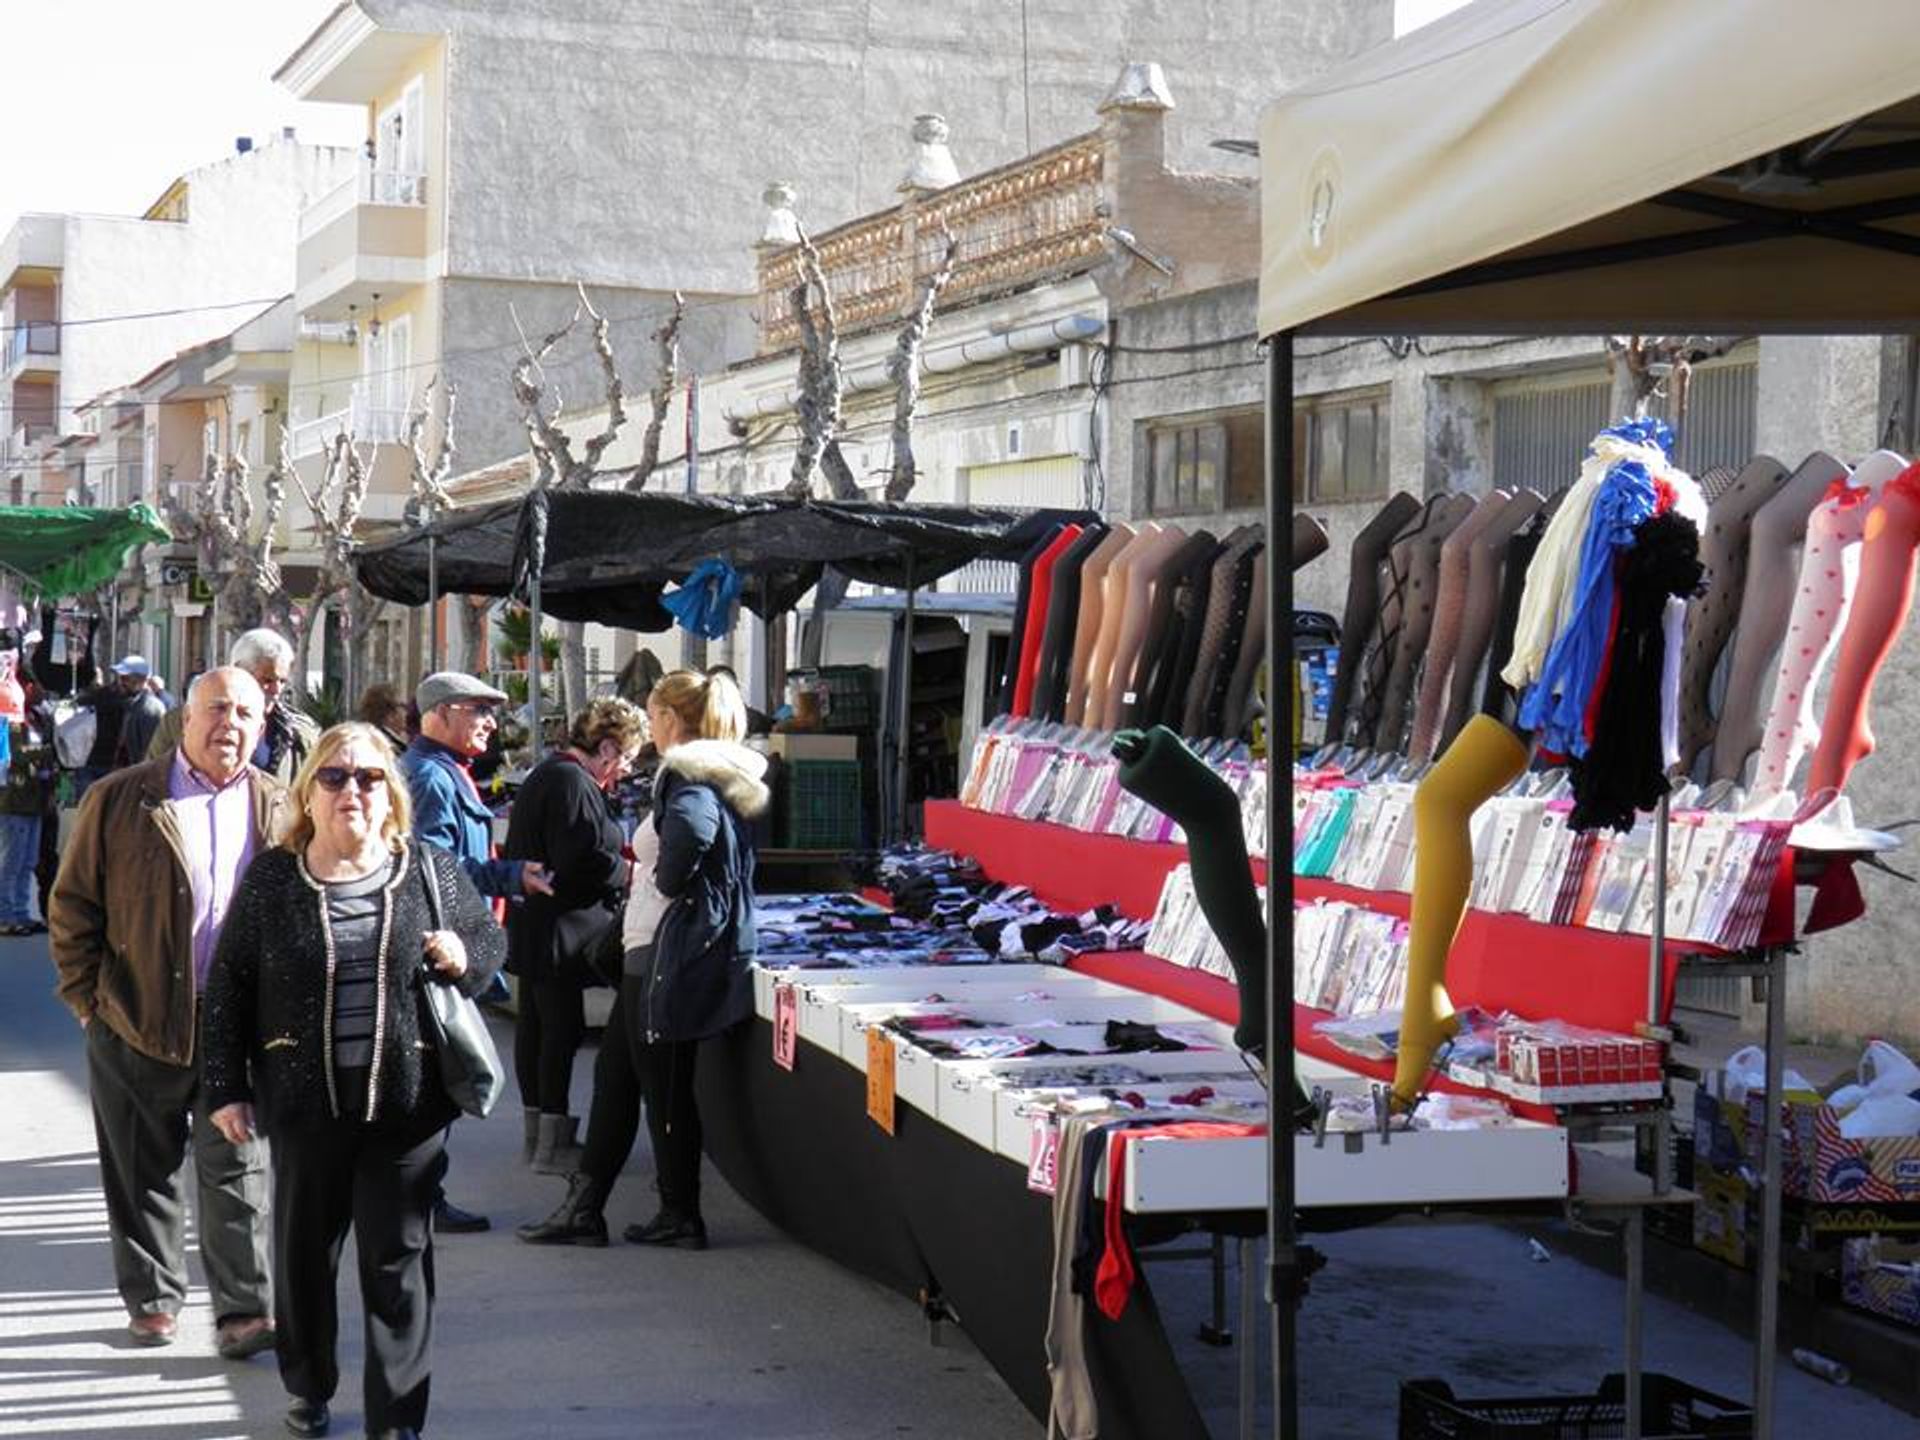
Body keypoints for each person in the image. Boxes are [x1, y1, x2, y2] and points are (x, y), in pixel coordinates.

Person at [202, 724, 505, 1440]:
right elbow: (230, 985)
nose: (352, 791)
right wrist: (225, 1086)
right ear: (309, 792)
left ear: (391, 794)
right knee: (305, 1259)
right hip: (305, 1107)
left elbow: (491, 946)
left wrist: (467, 953)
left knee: (398, 1266)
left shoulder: (428, 869)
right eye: (334, 778)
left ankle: (397, 1419)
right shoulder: (276, 878)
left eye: (369, 778)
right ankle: (308, 1387)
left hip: (408, 1106)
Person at [48, 667, 282, 1355]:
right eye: (215, 709)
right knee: (140, 1167)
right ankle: (152, 1299)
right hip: (133, 1013)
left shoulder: (281, 806)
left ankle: (243, 1309)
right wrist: (87, 999)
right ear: (185, 718)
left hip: (235, 1024)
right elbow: (72, 906)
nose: (228, 724)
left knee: (238, 1167)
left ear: (261, 726)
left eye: (244, 712)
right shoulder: (122, 799)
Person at [518, 669, 766, 1249]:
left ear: (671, 721)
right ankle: (588, 1207)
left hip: (665, 952)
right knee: (618, 1081)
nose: (648, 726)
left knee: (661, 1089)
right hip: (654, 951)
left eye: (653, 714)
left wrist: (665, 879)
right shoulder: (704, 773)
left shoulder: (689, 774)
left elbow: (692, 834)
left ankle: (676, 1214)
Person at [399, 671, 553, 1232]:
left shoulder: (444, 771)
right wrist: (510, 874)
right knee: (441, 1080)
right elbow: (438, 869)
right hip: (438, 949)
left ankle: (420, 1194)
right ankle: (419, 1198)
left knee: (442, 1079)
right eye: (477, 711)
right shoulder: (432, 778)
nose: (490, 722)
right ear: (439, 714)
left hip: (452, 945)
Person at [501, 697, 644, 1175]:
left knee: (540, 1029)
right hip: (557, 930)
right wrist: (626, 871)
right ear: (606, 746)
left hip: (542, 924)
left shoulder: (556, 774)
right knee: (557, 1032)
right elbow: (579, 857)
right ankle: (551, 1145)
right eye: (624, 757)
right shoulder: (570, 781)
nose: (623, 771)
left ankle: (540, 1138)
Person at [148, 629, 318, 785]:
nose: (276, 690)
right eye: (267, 680)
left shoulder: (299, 733)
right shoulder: (178, 722)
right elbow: (151, 782)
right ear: (238, 670)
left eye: (282, 681)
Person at [1, 699, 54, 936]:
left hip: (34, 802)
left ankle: (21, 913)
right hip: (14, 802)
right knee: (11, 863)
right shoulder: (9, 725)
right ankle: (5, 916)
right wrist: (48, 750)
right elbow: (18, 754)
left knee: (28, 861)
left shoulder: (36, 721)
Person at [356, 683, 412, 752]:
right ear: (390, 715)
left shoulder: (362, 740)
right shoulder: (389, 748)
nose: (406, 712)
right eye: (403, 706)